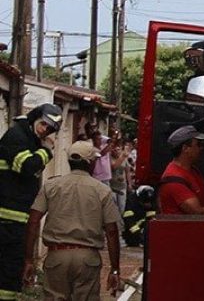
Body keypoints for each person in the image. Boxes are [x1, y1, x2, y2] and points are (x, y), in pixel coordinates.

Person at [23, 140, 122, 300]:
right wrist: (115, 269)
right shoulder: (102, 191)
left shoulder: (51, 186)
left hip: (57, 256)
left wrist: (28, 260)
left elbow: (33, 221)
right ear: (90, 163)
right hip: (87, 259)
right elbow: (111, 231)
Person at [0, 103, 61, 301]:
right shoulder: (16, 137)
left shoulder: (31, 140)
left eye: (50, 129)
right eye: (44, 125)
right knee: (8, 269)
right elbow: (27, 167)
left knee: (10, 271)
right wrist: (47, 150)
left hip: (16, 219)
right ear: (35, 118)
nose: (45, 131)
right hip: (5, 218)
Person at [108, 134, 129, 216]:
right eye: (115, 149)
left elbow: (127, 171)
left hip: (122, 186)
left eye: (118, 149)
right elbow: (113, 167)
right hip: (113, 187)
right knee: (114, 208)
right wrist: (123, 156)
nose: (116, 151)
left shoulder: (124, 159)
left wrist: (129, 184)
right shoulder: (109, 158)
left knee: (122, 207)